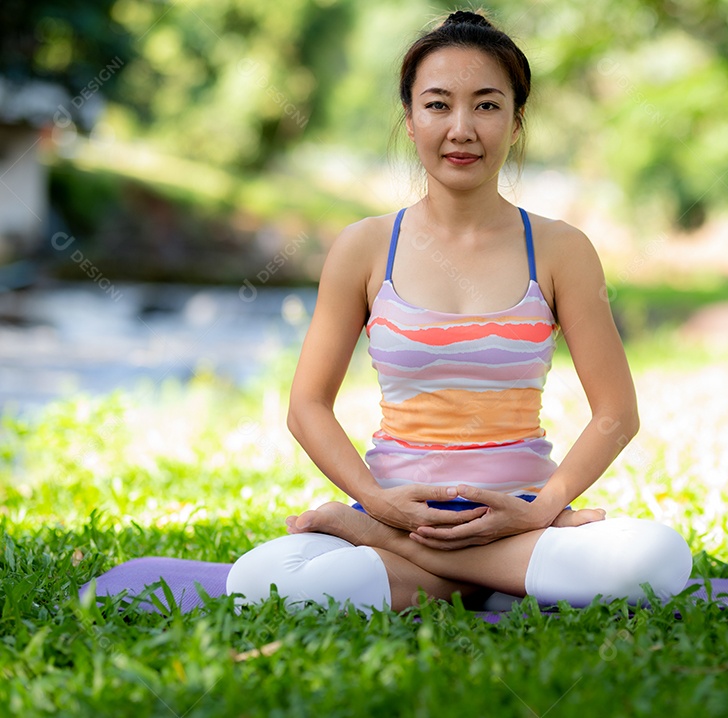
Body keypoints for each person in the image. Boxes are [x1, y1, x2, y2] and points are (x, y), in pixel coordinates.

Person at [226, 10, 692, 613]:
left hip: (519, 517)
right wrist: (380, 502)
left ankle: (406, 555)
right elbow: (306, 407)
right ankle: (492, 577)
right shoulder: (364, 247)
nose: (462, 129)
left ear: (517, 122)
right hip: (400, 507)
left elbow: (617, 413)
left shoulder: (561, 249)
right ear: (411, 118)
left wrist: (543, 509)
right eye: (439, 105)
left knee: (658, 558)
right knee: (257, 582)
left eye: (488, 105)